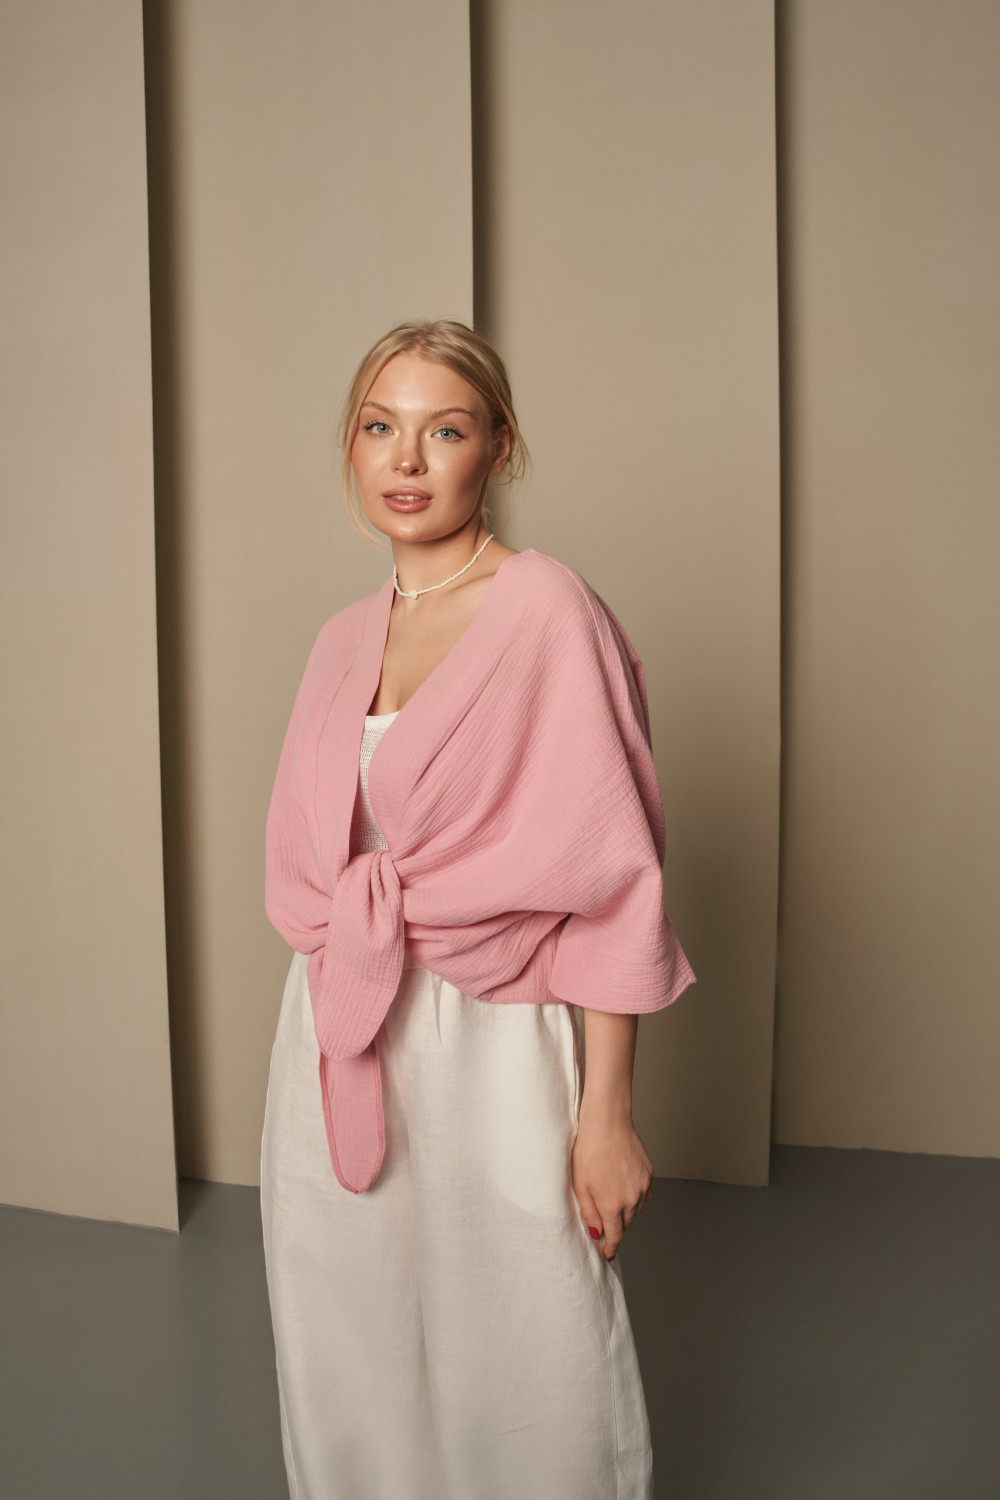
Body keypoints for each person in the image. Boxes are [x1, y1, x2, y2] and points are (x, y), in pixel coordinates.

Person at [260, 318, 695, 1500]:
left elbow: (614, 884)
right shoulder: (339, 640)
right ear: (350, 447)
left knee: (525, 1332)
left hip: (490, 1033)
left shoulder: (548, 609)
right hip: (339, 1023)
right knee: (344, 1315)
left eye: (443, 430)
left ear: (499, 448)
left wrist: (606, 1114)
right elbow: (317, 870)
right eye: (378, 427)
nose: (405, 459)